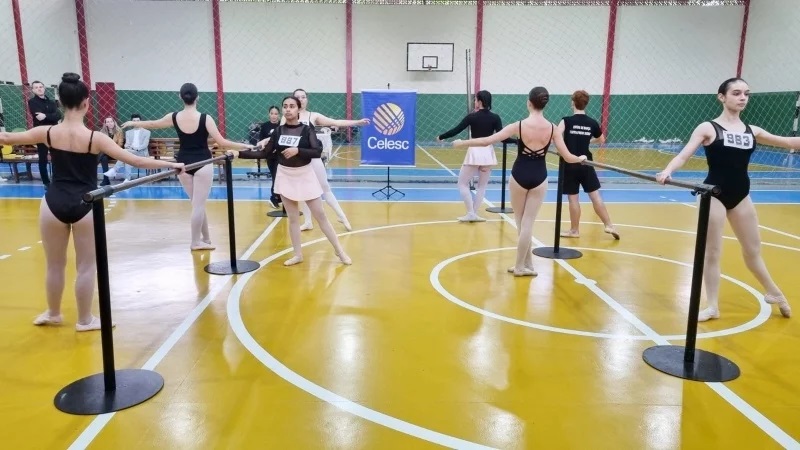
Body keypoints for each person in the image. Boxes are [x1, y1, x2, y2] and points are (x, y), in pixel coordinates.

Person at [0, 73, 184, 331]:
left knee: (54, 265)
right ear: (87, 103)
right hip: (87, 204)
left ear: (59, 102)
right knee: (86, 266)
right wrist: (172, 165)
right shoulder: (96, 138)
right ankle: (84, 320)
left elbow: (6, 138)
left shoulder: (47, 132)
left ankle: (54, 313)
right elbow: (135, 160)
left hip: (53, 204)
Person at [656, 77, 793, 321]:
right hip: (713, 194)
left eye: (746, 94)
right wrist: (667, 171)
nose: (743, 98)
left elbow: (789, 142)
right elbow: (684, 155)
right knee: (713, 252)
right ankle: (712, 306)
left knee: (753, 251)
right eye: (736, 93)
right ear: (722, 97)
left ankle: (774, 292)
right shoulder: (708, 128)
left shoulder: (753, 131)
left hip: (741, 195)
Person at [454, 87, 586, 276]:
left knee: (522, 224)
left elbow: (486, 141)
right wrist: (580, 158)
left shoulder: (519, 125)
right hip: (540, 177)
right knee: (528, 224)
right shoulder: (553, 128)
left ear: (529, 103)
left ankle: (519, 267)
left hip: (519, 175)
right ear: (545, 104)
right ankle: (527, 264)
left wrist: (462, 143)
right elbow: (568, 157)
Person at [120, 83, 253, 251]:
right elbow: (222, 142)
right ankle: (195, 242)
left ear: (180, 97)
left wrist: (133, 123)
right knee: (199, 205)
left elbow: (153, 124)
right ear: (198, 97)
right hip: (203, 162)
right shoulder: (206, 118)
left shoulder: (174, 116)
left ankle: (206, 238)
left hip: (182, 164)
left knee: (197, 204)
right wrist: (244, 146)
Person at [239, 96, 351, 266]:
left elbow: (316, 151)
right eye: (285, 106)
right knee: (293, 219)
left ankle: (339, 251)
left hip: (305, 175)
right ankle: (298, 254)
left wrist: (298, 150)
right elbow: (264, 153)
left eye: (292, 106)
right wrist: (238, 153)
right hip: (285, 176)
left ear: (298, 109)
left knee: (320, 216)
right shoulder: (278, 131)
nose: (288, 109)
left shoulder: (306, 129)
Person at [273, 88, 370, 232]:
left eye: (303, 97)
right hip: (296, 162)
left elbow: (336, 122)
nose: (301, 99)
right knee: (303, 192)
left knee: (325, 189)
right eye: (298, 97)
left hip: (311, 158)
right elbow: (278, 137)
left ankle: (342, 217)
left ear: (307, 99)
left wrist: (357, 122)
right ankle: (308, 222)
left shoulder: (313, 116)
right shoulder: (285, 118)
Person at [557, 90, 619, 239]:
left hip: (570, 163)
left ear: (572, 103)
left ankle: (574, 231)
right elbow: (601, 139)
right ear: (586, 104)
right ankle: (609, 225)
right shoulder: (592, 122)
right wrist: (588, 141)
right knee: (595, 196)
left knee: (573, 198)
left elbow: (556, 135)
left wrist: (563, 149)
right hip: (586, 163)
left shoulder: (566, 121)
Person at [436, 90, 502, 222]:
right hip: (488, 154)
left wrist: (441, 136)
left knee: (462, 183)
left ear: (480, 101)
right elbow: (503, 137)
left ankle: (471, 213)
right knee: (482, 186)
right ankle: (474, 213)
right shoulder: (495, 117)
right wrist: (518, 141)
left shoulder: (472, 117)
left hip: (475, 153)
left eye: (475, 99)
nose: (474, 101)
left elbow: (456, 130)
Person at [28, 80, 62, 188]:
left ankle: (57, 180)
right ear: (33, 90)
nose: (39, 89)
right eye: (36, 87)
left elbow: (58, 116)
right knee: (43, 158)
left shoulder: (51, 102)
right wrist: (51, 116)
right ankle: (46, 182)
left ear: (44, 88)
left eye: (41, 87)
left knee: (56, 157)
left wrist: (46, 116)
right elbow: (39, 117)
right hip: (41, 134)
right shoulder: (32, 102)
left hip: (53, 132)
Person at [259, 106, 281, 208]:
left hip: (282, 155)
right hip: (271, 156)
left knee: (281, 176)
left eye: (276, 114)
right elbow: (261, 141)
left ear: (279, 115)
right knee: (275, 176)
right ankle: (274, 197)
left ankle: (278, 197)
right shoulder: (265, 126)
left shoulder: (282, 125)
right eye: (272, 113)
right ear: (269, 114)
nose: (274, 116)